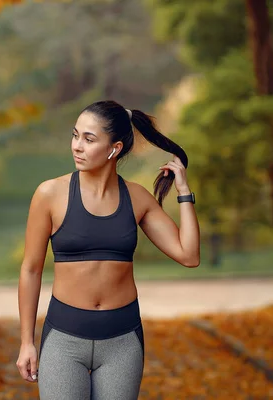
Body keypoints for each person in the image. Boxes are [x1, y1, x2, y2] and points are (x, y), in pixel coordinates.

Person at [15, 100, 200, 400]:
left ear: (114, 148)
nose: (77, 146)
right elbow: (31, 269)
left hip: (123, 342)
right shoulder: (50, 194)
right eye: (75, 135)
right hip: (64, 340)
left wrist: (183, 193)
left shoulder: (137, 198)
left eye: (88, 139)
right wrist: (26, 342)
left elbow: (189, 255)